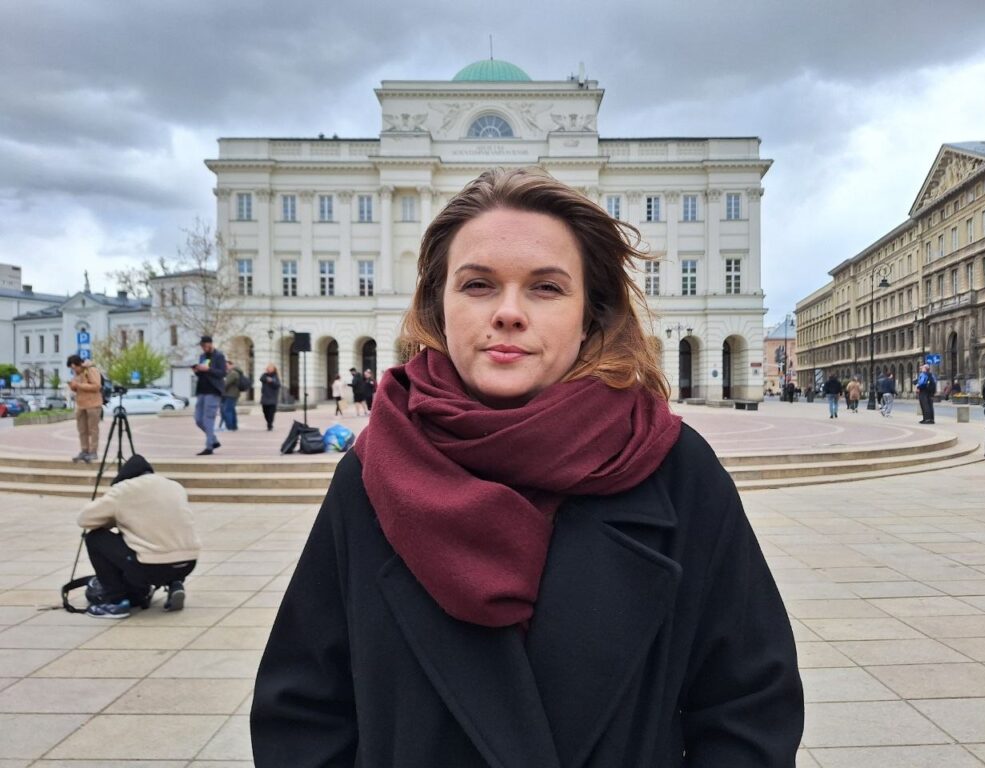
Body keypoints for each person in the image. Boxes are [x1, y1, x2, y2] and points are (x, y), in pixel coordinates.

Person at [251, 169, 803, 766]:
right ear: (439, 305)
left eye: (546, 287)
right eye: (478, 285)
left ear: (589, 314)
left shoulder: (673, 468)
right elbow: (303, 710)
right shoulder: (375, 470)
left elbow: (749, 705)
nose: (509, 313)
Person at [77, 454, 200, 619]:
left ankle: (116, 602)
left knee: (95, 538)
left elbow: (84, 519)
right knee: (165, 536)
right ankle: (174, 583)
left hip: (151, 567)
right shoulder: (174, 486)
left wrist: (113, 521)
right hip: (188, 564)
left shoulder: (124, 489)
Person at [193, 335, 227, 455]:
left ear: (210, 344)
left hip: (213, 391)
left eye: (204, 345)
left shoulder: (219, 356)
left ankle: (209, 447)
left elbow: (222, 373)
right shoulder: (202, 356)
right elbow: (203, 373)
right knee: (198, 419)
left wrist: (208, 369)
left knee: (208, 419)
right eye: (201, 345)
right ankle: (213, 440)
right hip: (201, 390)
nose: (203, 347)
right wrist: (197, 371)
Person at [67, 354, 103, 463]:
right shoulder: (77, 374)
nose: (74, 370)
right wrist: (73, 386)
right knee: (82, 430)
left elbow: (96, 386)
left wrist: (79, 385)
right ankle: (84, 450)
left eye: (74, 368)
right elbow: (78, 387)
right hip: (81, 405)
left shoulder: (91, 370)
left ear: (79, 364)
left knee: (93, 430)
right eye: (72, 369)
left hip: (93, 405)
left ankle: (93, 452)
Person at [220, 360, 241, 432]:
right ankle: (234, 426)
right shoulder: (230, 373)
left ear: (231, 365)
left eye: (227, 365)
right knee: (231, 410)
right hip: (230, 394)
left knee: (227, 410)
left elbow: (226, 383)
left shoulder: (233, 373)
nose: (225, 367)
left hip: (231, 394)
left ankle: (229, 427)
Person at [260, 364, 281, 431]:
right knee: (265, 411)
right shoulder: (264, 375)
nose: (269, 369)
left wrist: (271, 381)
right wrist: (267, 379)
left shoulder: (275, 376)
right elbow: (261, 379)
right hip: (265, 396)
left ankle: (270, 424)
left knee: (271, 413)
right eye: (268, 368)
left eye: (271, 368)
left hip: (273, 397)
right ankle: (268, 422)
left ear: (273, 369)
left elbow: (278, 385)